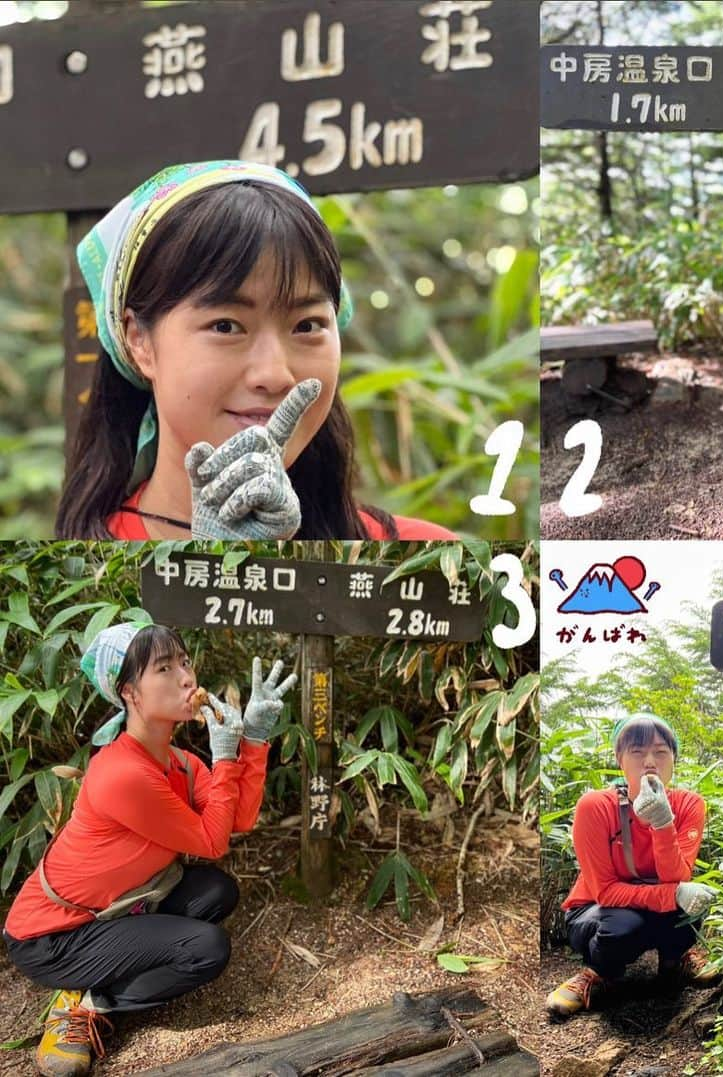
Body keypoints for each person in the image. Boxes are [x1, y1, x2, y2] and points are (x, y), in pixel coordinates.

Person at [55, 160, 455, 540]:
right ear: (138, 341)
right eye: (226, 326)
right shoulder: (65, 584)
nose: (274, 374)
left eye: (306, 326)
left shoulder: (426, 562)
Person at [2, 621, 296, 1076]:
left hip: (114, 910)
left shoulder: (177, 761)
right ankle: (87, 1004)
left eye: (184, 662)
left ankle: (99, 980)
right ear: (129, 693)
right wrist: (225, 756)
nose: (186, 678)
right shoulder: (124, 773)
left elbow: (237, 819)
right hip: (53, 936)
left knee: (216, 892)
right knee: (206, 949)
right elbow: (212, 841)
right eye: (164, 667)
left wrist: (252, 743)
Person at [545, 714, 718, 1017]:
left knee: (693, 900)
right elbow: (607, 893)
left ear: (673, 759)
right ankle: (597, 973)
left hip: (649, 902)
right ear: (620, 759)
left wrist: (662, 822)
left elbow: (677, 876)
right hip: (596, 910)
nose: (650, 761)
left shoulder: (690, 804)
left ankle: (674, 962)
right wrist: (671, 896)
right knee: (624, 926)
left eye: (661, 752)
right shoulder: (595, 806)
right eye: (637, 752)